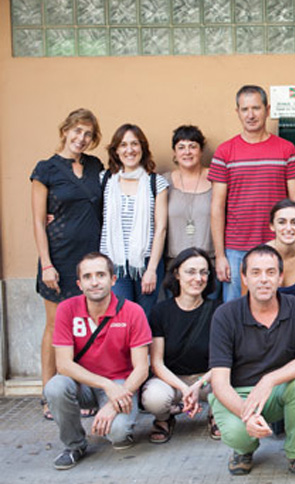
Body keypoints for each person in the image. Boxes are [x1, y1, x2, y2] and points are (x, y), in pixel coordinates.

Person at [208, 245, 295, 482]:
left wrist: (269, 379)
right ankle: (244, 450)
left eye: (271, 272)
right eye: (256, 272)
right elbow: (220, 383)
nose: (264, 280)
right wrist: (247, 414)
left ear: (280, 277)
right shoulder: (225, 315)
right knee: (239, 434)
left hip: (277, 390)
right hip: (238, 394)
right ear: (244, 277)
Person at [44, 253, 151, 470]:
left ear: (112, 280)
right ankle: (74, 445)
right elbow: (63, 365)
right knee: (55, 387)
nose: (94, 282)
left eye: (101, 275)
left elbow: (141, 368)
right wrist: (105, 384)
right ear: (79, 284)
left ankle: (122, 426)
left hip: (121, 384)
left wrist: (113, 403)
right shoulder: (67, 309)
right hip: (83, 384)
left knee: (118, 433)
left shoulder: (132, 311)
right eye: (88, 276)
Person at [31, 108, 104, 420]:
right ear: (65, 131)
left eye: (88, 134)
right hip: (59, 257)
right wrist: (46, 263)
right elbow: (37, 220)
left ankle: (79, 391)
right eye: (77, 131)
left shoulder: (95, 166)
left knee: (86, 326)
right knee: (55, 326)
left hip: (91, 257)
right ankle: (50, 394)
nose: (81, 138)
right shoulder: (45, 169)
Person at [210, 85, 295, 303]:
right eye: (245, 109)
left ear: (267, 109)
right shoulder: (225, 152)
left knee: (280, 307)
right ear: (237, 112)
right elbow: (217, 207)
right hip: (236, 249)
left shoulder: (286, 149)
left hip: (279, 244)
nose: (251, 115)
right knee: (236, 311)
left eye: (256, 108)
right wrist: (220, 255)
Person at [141, 248, 222, 444]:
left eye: (203, 272)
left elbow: (223, 361)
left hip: (207, 381)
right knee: (154, 397)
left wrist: (196, 386)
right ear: (177, 274)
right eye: (191, 271)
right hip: (172, 381)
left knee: (231, 384)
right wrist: (185, 389)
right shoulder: (160, 312)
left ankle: (216, 415)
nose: (198, 278)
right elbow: (157, 363)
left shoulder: (218, 310)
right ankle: (164, 418)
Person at [99, 123, 168, 316]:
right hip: (113, 263)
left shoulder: (156, 182)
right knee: (121, 317)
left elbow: (161, 228)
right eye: (123, 145)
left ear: (142, 148)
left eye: (134, 144)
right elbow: (82, 208)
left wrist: (152, 269)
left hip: (146, 262)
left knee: (145, 319)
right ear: (116, 150)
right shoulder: (104, 180)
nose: (129, 150)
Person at [164, 125, 217, 296]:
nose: (187, 152)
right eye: (181, 147)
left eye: (193, 146)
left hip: (209, 266)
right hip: (174, 266)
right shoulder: (164, 182)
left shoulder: (216, 180)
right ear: (174, 153)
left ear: (201, 151)